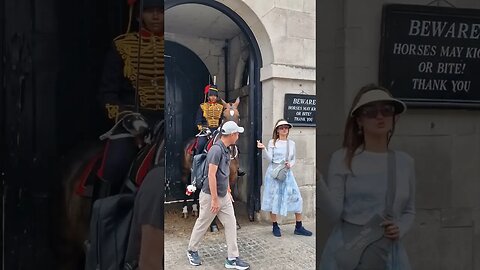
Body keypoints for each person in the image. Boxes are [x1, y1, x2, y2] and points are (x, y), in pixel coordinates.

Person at [318, 84, 416, 269]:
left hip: (387, 251)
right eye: (370, 111)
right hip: (348, 247)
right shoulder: (342, 158)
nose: (380, 116)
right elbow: (333, 214)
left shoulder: (405, 162)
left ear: (395, 117)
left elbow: (410, 210)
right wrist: (318, 182)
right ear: (359, 120)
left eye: (386, 110)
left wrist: (400, 228)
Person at [97, 0, 164, 196]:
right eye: (149, 11)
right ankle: (103, 213)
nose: (155, 16)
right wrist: (126, 116)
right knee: (115, 163)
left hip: (166, 122)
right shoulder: (122, 45)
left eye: (160, 11)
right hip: (133, 120)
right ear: (138, 15)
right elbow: (107, 93)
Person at [186, 121, 250, 270]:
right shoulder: (216, 150)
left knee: (231, 223)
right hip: (210, 196)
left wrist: (227, 189)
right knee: (203, 223)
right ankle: (191, 250)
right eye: (237, 133)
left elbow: (224, 173)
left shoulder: (226, 149)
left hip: (223, 195)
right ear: (232, 134)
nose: (239, 136)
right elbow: (211, 175)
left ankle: (232, 258)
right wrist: (215, 199)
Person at [256, 119, 313, 237]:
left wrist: (290, 165)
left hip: (287, 173)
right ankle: (275, 226)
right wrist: (264, 149)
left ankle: (299, 226)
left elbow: (293, 159)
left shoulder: (291, 143)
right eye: (281, 128)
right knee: (273, 199)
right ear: (277, 130)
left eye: (286, 127)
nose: (284, 130)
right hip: (274, 173)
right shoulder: (273, 142)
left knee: (297, 197)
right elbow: (270, 159)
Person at [195, 84, 223, 155]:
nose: (213, 97)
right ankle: (197, 160)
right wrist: (204, 128)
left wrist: (221, 127)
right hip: (206, 131)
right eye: (211, 95)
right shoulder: (202, 106)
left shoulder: (221, 107)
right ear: (208, 96)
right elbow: (198, 121)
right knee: (201, 144)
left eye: (215, 96)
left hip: (217, 130)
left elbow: (222, 120)